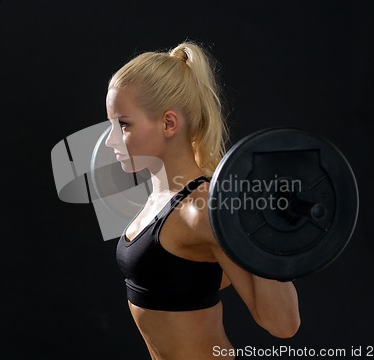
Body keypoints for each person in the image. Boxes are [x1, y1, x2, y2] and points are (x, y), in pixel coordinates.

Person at [105, 41, 300, 360]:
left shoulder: (204, 207)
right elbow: (201, 277)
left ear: (168, 123)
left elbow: (283, 324)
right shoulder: (162, 195)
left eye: (123, 125)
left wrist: (264, 230)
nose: (112, 139)